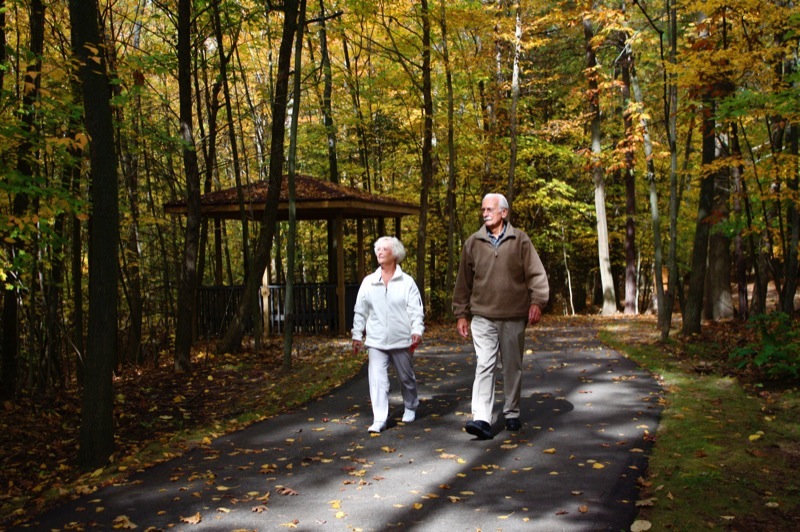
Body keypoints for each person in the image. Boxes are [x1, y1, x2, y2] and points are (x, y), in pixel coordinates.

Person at [452, 193, 549, 440]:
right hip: (482, 315)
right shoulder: (473, 242)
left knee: (512, 366)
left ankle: (512, 412)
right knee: (484, 364)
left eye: (490, 209)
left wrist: (537, 302)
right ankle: (482, 418)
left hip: (514, 315)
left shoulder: (520, 240)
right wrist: (461, 313)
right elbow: (463, 282)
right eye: (483, 209)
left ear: (504, 213)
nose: (485, 213)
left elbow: (536, 274)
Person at [352, 236, 425, 433]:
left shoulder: (407, 282)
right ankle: (379, 418)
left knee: (406, 378)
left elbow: (415, 310)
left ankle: (410, 405)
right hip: (376, 341)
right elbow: (360, 311)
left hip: (401, 340)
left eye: (385, 249)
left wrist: (417, 330)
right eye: (378, 249)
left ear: (395, 254)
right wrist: (357, 335)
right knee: (377, 381)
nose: (380, 252)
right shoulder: (369, 282)